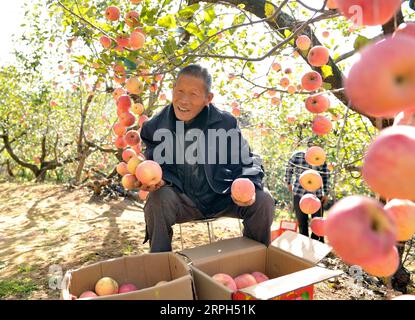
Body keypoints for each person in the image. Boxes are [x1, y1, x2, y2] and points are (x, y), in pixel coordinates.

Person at [139, 64, 275, 252]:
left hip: (223, 196)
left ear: (208, 99)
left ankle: (256, 257)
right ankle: (161, 265)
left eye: (193, 94)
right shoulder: (154, 127)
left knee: (263, 199)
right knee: (157, 200)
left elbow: (247, 159)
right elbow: (155, 165)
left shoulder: (225, 123)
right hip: (183, 200)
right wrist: (158, 180)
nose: (184, 100)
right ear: (172, 90)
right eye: (179, 91)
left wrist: (248, 181)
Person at [284, 138, 330, 242]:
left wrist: (326, 192)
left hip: (314, 195)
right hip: (302, 194)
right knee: (303, 221)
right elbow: (289, 169)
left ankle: (316, 244)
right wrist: (288, 182)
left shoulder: (321, 158)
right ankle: (305, 245)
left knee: (317, 222)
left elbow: (326, 175)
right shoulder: (298, 155)